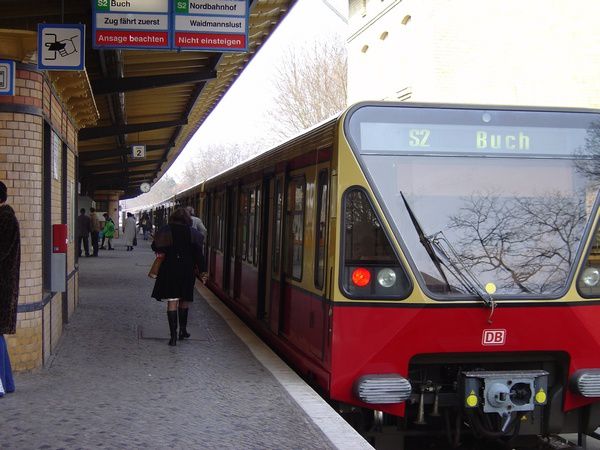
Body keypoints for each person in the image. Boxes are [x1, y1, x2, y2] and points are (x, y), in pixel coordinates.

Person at [151, 208, 205, 346]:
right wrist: (203, 271)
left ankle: (173, 337)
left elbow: (156, 247)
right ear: (188, 219)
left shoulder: (165, 231)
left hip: (169, 269)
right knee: (185, 299)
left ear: (173, 218)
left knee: (172, 301)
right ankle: (183, 330)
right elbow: (199, 255)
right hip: (187, 270)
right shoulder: (194, 233)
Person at [0, 181, 19, 397]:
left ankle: (2, 385)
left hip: (2, 285)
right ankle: (7, 382)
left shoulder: (4, 219)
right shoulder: (7, 217)